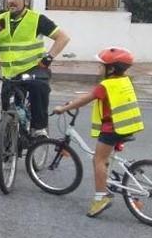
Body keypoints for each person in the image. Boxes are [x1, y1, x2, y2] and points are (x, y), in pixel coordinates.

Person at [0, 0, 70, 171]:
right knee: (7, 115)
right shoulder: (0, 20)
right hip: (10, 75)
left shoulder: (37, 19)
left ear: (25, 1)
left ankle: (39, 127)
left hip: (34, 69)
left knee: (39, 87)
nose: (12, 1)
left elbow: (63, 37)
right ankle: (5, 155)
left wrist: (48, 58)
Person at [51, 47, 144, 218]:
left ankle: (101, 197)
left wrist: (63, 108)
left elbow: (86, 99)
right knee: (107, 158)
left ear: (111, 68)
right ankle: (112, 181)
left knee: (98, 159)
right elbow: (97, 96)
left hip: (113, 127)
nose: (99, 68)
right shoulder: (124, 80)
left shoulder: (106, 84)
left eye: (101, 65)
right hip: (128, 125)